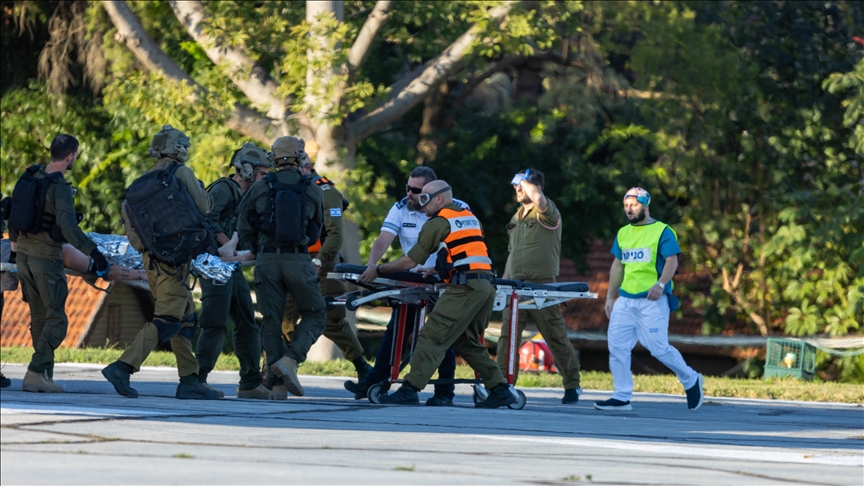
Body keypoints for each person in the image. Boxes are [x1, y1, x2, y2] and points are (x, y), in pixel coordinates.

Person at [360, 181, 515, 408]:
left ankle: (410, 389)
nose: (422, 206)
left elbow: (411, 261)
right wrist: (440, 268)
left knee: (431, 336)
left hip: (465, 288)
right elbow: (467, 251)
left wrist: (378, 269)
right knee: (466, 341)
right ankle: (500, 389)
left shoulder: (438, 223)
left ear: (440, 199)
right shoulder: (469, 218)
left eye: (425, 199)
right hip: (485, 285)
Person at [102, 125, 220, 400]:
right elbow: (206, 206)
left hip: (152, 263)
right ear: (178, 149)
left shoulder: (140, 183)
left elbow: (133, 232)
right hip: (176, 263)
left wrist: (151, 252)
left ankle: (189, 380)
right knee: (168, 319)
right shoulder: (181, 173)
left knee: (186, 319)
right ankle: (123, 367)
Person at [347, 167, 463, 406]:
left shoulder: (455, 209)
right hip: (415, 278)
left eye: (416, 190)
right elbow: (383, 239)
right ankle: (375, 381)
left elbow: (459, 247)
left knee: (442, 333)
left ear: (431, 193)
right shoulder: (401, 207)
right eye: (407, 188)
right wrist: (371, 265)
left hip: (445, 278)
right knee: (396, 329)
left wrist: (439, 270)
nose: (410, 194)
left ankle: (444, 391)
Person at [8, 134, 110, 393]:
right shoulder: (59, 187)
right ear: (70, 156)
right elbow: (68, 228)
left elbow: (12, 211)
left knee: (40, 315)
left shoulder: (29, 177)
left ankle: (44, 376)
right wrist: (95, 254)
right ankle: (34, 371)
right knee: (57, 320)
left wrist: (15, 244)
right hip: (46, 259)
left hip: (23, 257)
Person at [595, 187, 703, 411]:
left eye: (633, 205)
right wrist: (609, 297)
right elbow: (617, 266)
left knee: (658, 348)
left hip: (652, 300)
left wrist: (660, 284)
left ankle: (691, 379)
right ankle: (621, 396)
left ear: (645, 205)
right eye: (626, 206)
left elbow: (672, 261)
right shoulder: (624, 233)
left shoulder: (663, 231)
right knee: (617, 346)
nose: (629, 210)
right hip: (625, 300)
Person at [237, 136, 326, 398]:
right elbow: (316, 229)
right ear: (299, 157)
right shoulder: (313, 188)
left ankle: (276, 387)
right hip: (298, 259)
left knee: (271, 321)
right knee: (316, 312)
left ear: (273, 158)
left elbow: (244, 224)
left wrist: (260, 247)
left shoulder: (260, 187)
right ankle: (291, 359)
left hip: (266, 260)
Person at [281, 156, 371, 382]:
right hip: (293, 260)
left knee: (331, 319)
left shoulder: (326, 192)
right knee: (284, 318)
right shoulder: (285, 186)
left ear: (307, 168)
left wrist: (319, 261)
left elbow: (335, 235)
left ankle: (362, 366)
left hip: (320, 263)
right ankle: (278, 371)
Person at [194, 143, 272, 399]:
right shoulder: (224, 189)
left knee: (247, 322)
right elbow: (205, 217)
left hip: (231, 266)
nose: (264, 179)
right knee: (215, 323)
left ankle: (250, 382)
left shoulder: (248, 196)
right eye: (262, 174)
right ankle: (196, 379)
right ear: (247, 170)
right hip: (215, 265)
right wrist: (226, 243)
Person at [498, 169, 583, 404]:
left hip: (541, 288)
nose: (517, 189)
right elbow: (511, 254)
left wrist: (525, 182)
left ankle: (572, 384)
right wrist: (504, 284)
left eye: (522, 185)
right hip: (515, 287)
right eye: (515, 185)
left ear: (536, 187)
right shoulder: (516, 216)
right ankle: (502, 384)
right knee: (508, 337)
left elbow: (537, 199)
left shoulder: (547, 211)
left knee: (554, 336)